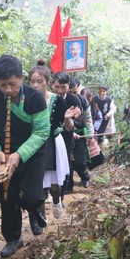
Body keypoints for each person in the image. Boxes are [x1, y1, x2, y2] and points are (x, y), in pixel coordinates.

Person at [0, 55, 50, 257]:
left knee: (33, 196)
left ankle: (34, 210)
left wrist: (20, 154)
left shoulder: (35, 98)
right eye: (2, 85)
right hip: (5, 155)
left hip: (32, 153)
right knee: (8, 197)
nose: (8, 90)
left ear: (21, 77)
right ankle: (13, 238)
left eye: (12, 84)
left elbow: (42, 132)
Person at [28, 60, 80, 231]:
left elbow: (69, 128)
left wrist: (67, 118)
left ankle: (57, 201)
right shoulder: (25, 100)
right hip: (33, 144)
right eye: (32, 81)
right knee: (38, 183)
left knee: (54, 185)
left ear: (47, 82)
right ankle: (40, 218)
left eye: (39, 81)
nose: (35, 85)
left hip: (53, 143)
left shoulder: (57, 100)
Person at [50, 72, 84, 201]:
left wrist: (75, 120)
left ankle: (61, 196)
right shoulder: (48, 99)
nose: (59, 90)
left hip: (67, 138)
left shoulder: (73, 100)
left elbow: (79, 122)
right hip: (50, 137)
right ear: (51, 85)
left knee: (66, 166)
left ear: (68, 86)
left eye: (63, 87)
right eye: (57, 87)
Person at [67, 77, 93, 189]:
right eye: (70, 92)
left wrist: (90, 134)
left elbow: (88, 118)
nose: (72, 94)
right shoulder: (61, 100)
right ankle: (69, 184)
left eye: (75, 91)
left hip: (80, 134)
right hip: (67, 134)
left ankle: (85, 176)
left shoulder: (83, 100)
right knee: (67, 161)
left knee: (79, 161)